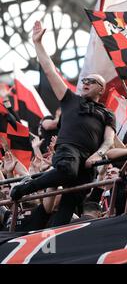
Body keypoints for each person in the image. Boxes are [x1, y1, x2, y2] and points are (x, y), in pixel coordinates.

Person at [10, 21, 116, 227]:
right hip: (69, 151)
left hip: (88, 162)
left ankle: (54, 239)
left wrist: (99, 154)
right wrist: (37, 44)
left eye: (91, 81)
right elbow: (50, 70)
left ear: (101, 89)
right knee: (67, 169)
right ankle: (26, 188)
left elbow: (109, 140)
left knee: (71, 201)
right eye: (84, 80)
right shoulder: (70, 100)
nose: (85, 82)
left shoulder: (107, 113)